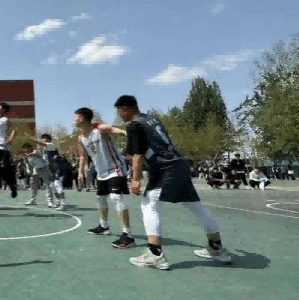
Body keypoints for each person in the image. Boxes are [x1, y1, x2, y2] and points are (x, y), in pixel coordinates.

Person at [115, 95, 231, 270]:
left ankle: (155, 254)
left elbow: (137, 155)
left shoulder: (134, 124)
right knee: (196, 207)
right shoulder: (152, 119)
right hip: (179, 165)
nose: (119, 115)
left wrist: (135, 180)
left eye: (119, 111)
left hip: (164, 169)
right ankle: (216, 248)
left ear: (126, 109)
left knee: (149, 205)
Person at [75, 107, 134, 249]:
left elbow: (118, 131)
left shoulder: (100, 129)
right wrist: (80, 171)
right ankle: (103, 226)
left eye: (75, 117)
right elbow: (83, 155)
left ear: (82, 118)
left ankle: (128, 235)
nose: (74, 120)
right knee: (100, 199)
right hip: (101, 172)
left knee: (115, 198)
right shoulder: (81, 137)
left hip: (115, 168)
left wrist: (129, 133)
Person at [28, 134, 67, 210]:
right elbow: (38, 154)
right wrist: (30, 154)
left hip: (58, 168)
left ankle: (63, 203)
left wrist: (30, 138)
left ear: (49, 139)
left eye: (46, 138)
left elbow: (40, 143)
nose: (44, 139)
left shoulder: (50, 145)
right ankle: (58, 201)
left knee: (58, 185)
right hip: (51, 170)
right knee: (52, 186)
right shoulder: (44, 150)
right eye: (43, 138)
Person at [22, 142, 54, 207]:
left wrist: (28, 155)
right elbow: (27, 164)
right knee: (33, 184)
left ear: (30, 148)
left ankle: (50, 201)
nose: (26, 150)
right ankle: (33, 200)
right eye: (24, 149)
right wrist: (30, 172)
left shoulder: (35, 151)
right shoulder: (25, 156)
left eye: (26, 148)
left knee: (48, 184)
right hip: (35, 169)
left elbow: (36, 154)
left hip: (43, 168)